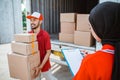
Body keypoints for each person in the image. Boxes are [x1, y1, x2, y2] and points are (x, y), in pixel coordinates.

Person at [73, 2, 120, 80]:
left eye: (90, 27)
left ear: (102, 28)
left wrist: (90, 60)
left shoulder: (90, 62)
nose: (91, 30)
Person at [27, 12, 57, 80]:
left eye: (34, 20)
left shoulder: (45, 35)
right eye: (31, 20)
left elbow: (48, 52)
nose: (32, 22)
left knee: (50, 78)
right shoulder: (29, 35)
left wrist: (40, 67)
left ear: (40, 22)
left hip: (44, 65)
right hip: (34, 66)